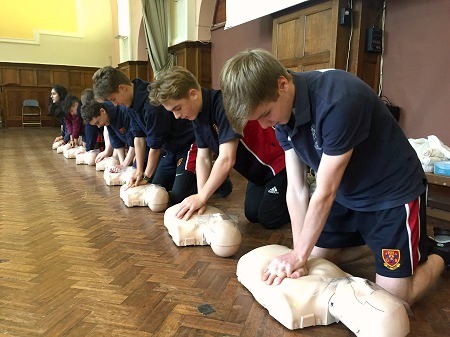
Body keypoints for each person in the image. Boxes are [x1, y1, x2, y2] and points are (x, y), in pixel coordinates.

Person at [219, 48, 449, 306]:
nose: (264, 126)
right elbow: (296, 189)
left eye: (265, 115)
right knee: (316, 260)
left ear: (282, 84)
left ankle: (440, 254)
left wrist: (299, 255)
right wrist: (298, 254)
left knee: (393, 302)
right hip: (347, 193)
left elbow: (324, 192)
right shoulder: (281, 113)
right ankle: (372, 242)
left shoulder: (338, 99)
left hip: (391, 196)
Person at [148, 66, 290, 229]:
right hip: (257, 174)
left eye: (177, 108)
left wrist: (201, 197)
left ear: (193, 94)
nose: (177, 116)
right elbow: (203, 157)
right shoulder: (197, 116)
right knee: (252, 215)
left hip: (278, 165)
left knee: (269, 219)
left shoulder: (223, 105)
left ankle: (305, 188)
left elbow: (226, 159)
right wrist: (202, 197)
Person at [92, 66, 197, 205]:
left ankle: (213, 180)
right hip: (170, 151)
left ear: (122, 88)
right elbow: (139, 138)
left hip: (187, 146)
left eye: (113, 99)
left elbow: (155, 147)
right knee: (156, 185)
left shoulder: (151, 105)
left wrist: (146, 176)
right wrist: (139, 171)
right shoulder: (128, 104)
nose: (115, 104)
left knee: (175, 197)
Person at [81, 100, 136, 169]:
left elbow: (135, 141)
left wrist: (124, 165)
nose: (99, 126)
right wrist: (122, 164)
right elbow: (117, 143)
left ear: (102, 111)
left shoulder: (122, 111)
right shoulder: (107, 118)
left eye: (98, 122)